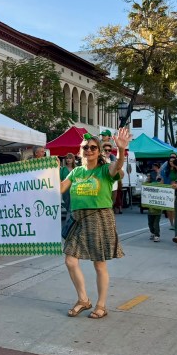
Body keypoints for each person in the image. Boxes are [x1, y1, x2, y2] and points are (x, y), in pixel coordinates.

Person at [60, 128, 131, 320]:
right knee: (70, 260)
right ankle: (83, 300)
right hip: (77, 219)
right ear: (80, 150)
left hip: (99, 217)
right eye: (85, 147)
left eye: (93, 147)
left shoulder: (104, 170)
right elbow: (59, 188)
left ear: (98, 151)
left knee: (99, 264)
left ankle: (101, 305)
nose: (89, 150)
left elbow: (117, 168)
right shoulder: (76, 171)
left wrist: (121, 150)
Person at [145, 162, 162, 242]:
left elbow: (162, 184)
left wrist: (159, 175)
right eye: (153, 166)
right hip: (151, 198)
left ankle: (157, 235)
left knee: (156, 222)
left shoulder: (162, 174)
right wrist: (147, 179)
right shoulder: (151, 174)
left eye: (156, 166)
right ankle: (152, 232)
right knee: (150, 221)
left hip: (158, 199)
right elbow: (146, 184)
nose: (154, 168)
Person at [160, 154, 177, 227]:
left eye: (173, 161)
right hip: (166, 190)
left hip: (175, 190)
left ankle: (174, 222)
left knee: (173, 207)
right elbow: (162, 179)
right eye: (170, 161)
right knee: (168, 208)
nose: (171, 162)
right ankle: (171, 223)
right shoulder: (165, 169)